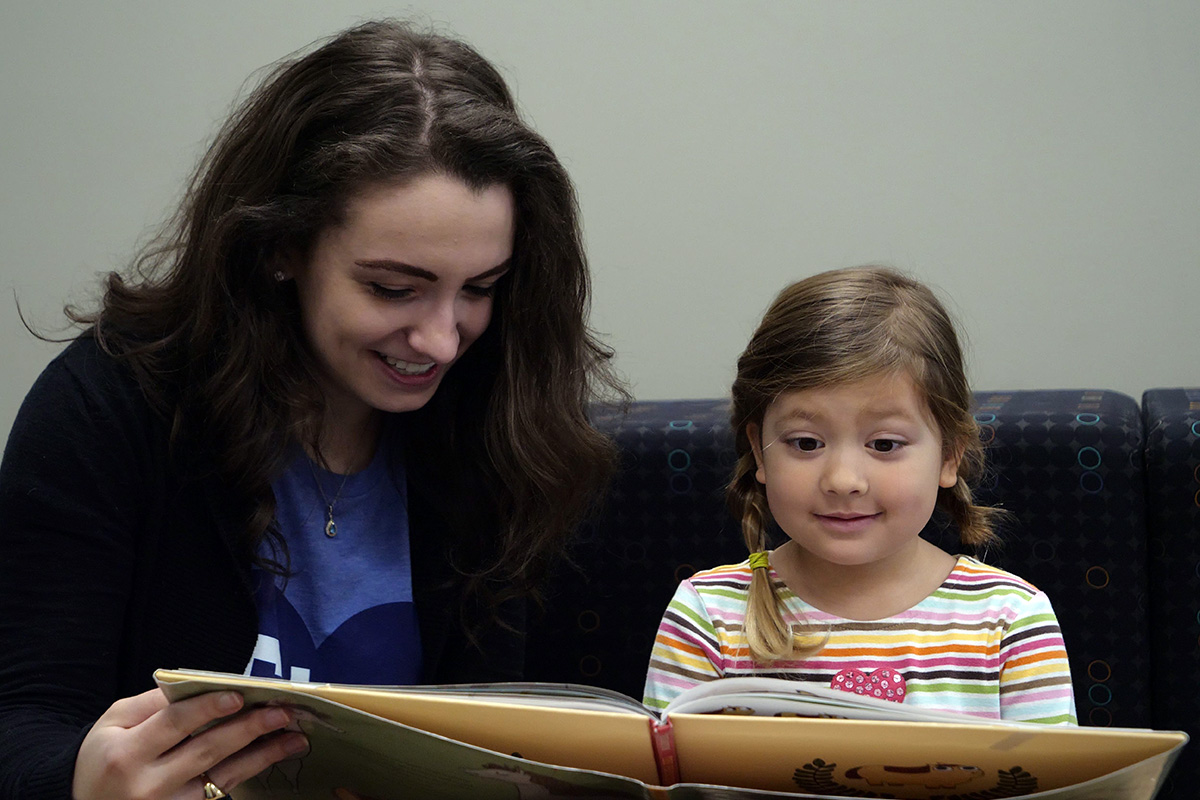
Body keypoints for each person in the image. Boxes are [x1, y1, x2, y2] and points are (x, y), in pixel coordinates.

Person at [0, 20, 624, 800]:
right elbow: (22, 723)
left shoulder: (493, 423)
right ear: (279, 247)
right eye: (393, 288)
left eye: (480, 289)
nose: (440, 339)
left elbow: (488, 734)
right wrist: (81, 783)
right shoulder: (108, 408)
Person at [643, 267, 1076, 724]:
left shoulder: (1010, 621)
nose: (844, 480)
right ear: (760, 452)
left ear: (949, 455)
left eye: (884, 444)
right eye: (806, 443)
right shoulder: (707, 617)